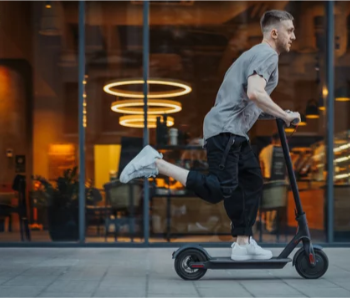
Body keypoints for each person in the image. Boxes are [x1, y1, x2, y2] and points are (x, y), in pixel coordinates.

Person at [120, 10, 300, 261]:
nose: (293, 35)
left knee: (251, 181)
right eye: (290, 30)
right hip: (226, 130)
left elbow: (250, 102)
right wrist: (283, 115)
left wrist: (280, 113)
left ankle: (243, 243)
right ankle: (156, 163)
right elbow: (255, 94)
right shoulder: (267, 54)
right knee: (219, 189)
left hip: (234, 131)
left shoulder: (253, 55)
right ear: (274, 32)